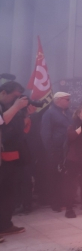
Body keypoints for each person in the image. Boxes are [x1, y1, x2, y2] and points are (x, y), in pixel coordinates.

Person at [0, 81, 29, 240]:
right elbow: (3, 121)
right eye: (14, 97)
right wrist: (17, 107)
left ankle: (5, 224)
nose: (16, 100)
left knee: (9, 193)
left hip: (13, 156)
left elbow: (18, 129)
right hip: (4, 156)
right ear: (3, 92)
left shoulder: (13, 108)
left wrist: (25, 113)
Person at [41, 92, 72, 212]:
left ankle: (67, 200)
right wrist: (51, 151)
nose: (69, 101)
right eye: (67, 99)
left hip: (68, 150)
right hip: (56, 151)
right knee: (56, 177)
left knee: (67, 177)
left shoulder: (69, 112)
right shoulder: (49, 113)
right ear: (58, 100)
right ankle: (56, 203)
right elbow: (45, 134)